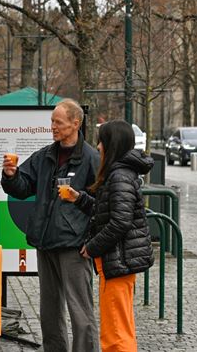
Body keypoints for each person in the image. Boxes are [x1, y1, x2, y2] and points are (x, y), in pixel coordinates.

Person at [1, 99, 100, 352]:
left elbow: (101, 204)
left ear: (75, 124)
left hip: (74, 245)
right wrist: (11, 176)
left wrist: (90, 241)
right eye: (52, 122)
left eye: (58, 122)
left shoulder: (91, 159)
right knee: (49, 310)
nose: (53, 127)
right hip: (45, 242)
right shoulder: (45, 155)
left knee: (80, 311)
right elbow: (23, 188)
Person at [61, 120, 154, 352]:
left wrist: (92, 247)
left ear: (112, 144)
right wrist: (79, 198)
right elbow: (108, 211)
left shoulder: (119, 176)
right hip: (117, 262)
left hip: (118, 261)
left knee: (115, 333)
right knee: (120, 326)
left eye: (102, 141)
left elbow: (120, 222)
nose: (98, 146)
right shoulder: (119, 173)